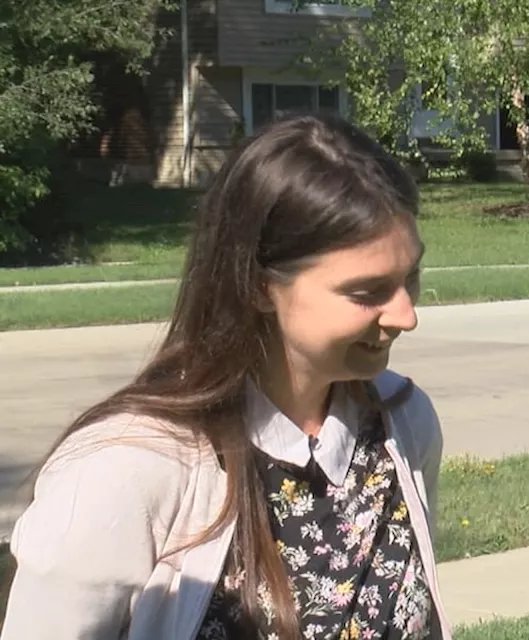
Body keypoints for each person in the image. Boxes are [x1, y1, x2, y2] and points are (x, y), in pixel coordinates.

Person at [2, 113, 452, 640]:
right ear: (259, 286)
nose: (406, 315)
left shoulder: (403, 423)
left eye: (410, 277)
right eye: (366, 291)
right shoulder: (126, 470)